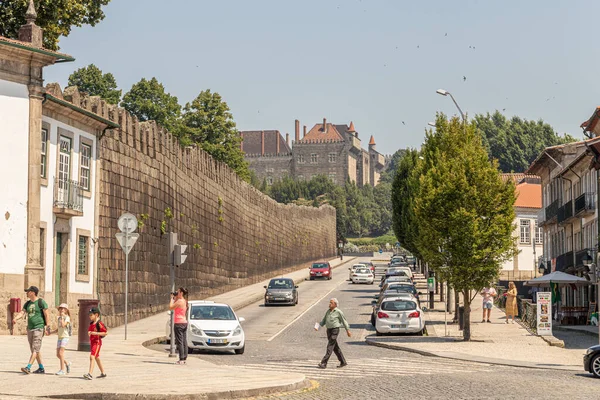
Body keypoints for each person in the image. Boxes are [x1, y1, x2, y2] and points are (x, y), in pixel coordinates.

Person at [12, 286, 49, 374]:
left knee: (35, 348)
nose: (27, 293)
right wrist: (16, 318)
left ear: (33, 292)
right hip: (30, 328)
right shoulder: (27, 303)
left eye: (28, 291)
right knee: (35, 349)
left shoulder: (41, 302)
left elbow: (46, 314)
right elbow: (22, 312)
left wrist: (47, 326)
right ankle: (41, 368)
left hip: (39, 327)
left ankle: (28, 367)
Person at [315, 298, 351, 369]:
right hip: (328, 330)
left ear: (335, 304)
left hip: (335, 330)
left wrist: (348, 330)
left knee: (330, 346)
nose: (329, 304)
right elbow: (324, 320)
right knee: (335, 347)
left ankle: (324, 363)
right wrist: (318, 326)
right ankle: (343, 361)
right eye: (329, 302)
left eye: (331, 303)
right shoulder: (328, 311)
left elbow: (344, 321)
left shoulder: (338, 312)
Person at [83, 307, 107, 380]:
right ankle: (103, 372)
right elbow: (90, 331)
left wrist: (95, 333)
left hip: (97, 342)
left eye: (91, 315)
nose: (90, 317)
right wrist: (89, 333)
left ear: (96, 315)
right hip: (92, 342)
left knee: (92, 356)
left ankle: (90, 374)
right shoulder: (91, 323)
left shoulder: (99, 323)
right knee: (97, 357)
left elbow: (105, 333)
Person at [48, 303, 72, 375]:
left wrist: (62, 317)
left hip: (65, 337)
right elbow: (58, 329)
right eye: (60, 308)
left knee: (61, 353)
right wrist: (51, 333)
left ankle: (62, 370)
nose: (62, 310)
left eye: (63, 309)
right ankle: (67, 364)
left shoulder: (67, 318)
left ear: (66, 310)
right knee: (58, 355)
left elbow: (63, 325)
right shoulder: (59, 318)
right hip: (60, 337)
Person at [169, 287, 188, 365]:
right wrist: (175, 297)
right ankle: (184, 357)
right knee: (184, 341)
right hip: (184, 322)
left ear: (181, 293)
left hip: (178, 323)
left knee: (179, 342)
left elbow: (171, 307)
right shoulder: (185, 301)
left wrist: (171, 299)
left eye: (178, 291)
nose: (177, 292)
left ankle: (181, 359)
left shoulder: (179, 302)